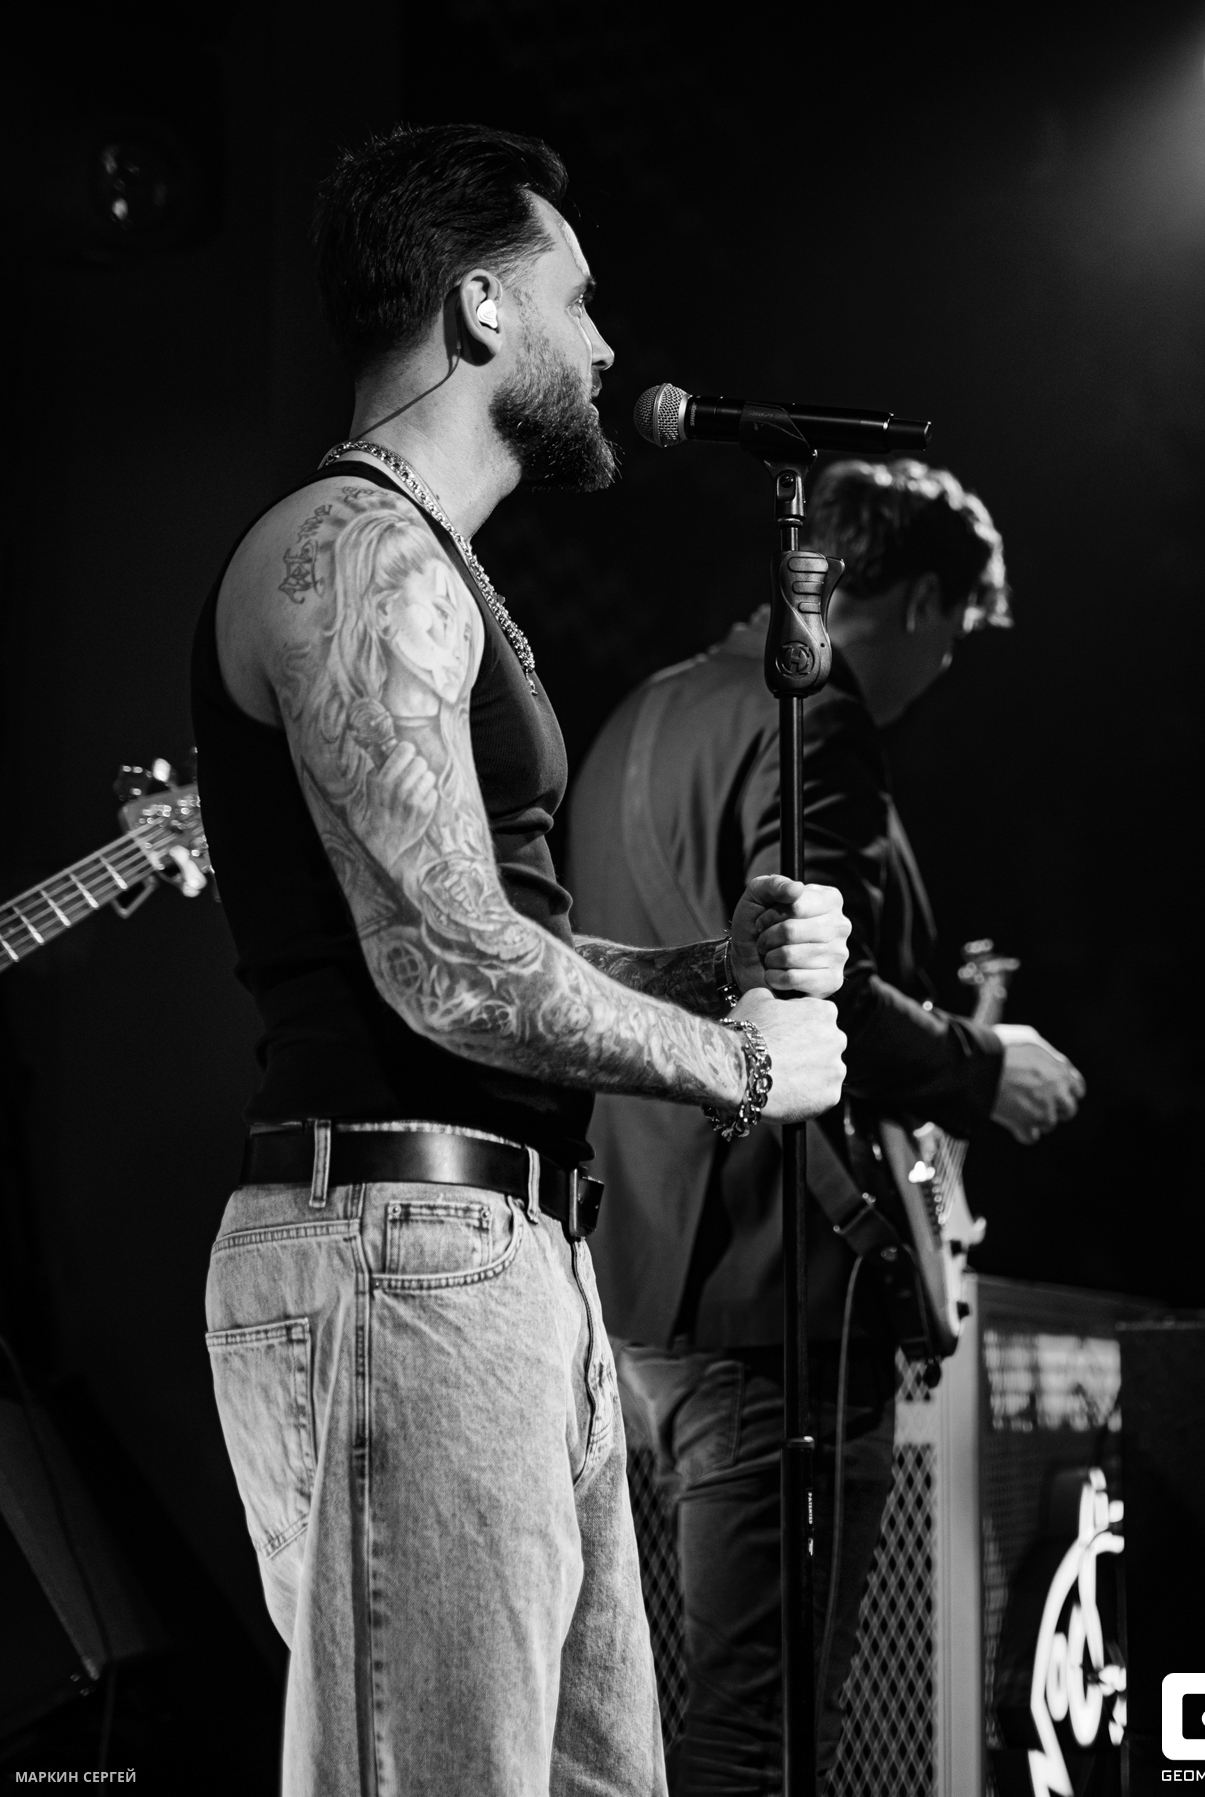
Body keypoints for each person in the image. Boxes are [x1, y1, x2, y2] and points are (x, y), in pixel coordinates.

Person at [189, 123, 853, 1797]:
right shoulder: (354, 552)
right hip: (401, 1248)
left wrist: (701, 969)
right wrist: (743, 1065)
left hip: (494, 1256)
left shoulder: (430, 561)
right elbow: (442, 961)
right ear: (482, 308)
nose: (607, 345)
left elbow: (499, 935)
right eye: (579, 297)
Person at [566, 457, 1086, 1796]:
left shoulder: (647, 708)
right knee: (769, 1731)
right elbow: (818, 982)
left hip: (634, 1283)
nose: (948, 667)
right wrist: (984, 1065)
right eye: (958, 633)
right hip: (772, 1294)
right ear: (919, 601)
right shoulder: (820, 717)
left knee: (674, 1712)